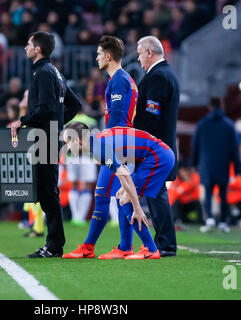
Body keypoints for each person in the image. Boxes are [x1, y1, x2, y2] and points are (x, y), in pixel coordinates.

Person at [63, 35, 139, 259]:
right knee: (109, 195)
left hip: (118, 145)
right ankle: (99, 246)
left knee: (113, 195)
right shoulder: (124, 79)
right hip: (122, 143)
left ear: (108, 55)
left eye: (98, 54)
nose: (96, 58)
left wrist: (104, 148)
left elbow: (116, 119)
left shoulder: (118, 80)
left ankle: (125, 247)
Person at [9, 31, 81, 258]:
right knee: (46, 190)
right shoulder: (55, 72)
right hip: (49, 135)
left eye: (28, 44)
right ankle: (54, 243)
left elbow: (46, 108)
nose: (25, 48)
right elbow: (74, 104)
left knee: (47, 191)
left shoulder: (42, 73)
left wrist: (23, 120)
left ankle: (54, 245)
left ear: (38, 49)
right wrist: (57, 124)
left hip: (44, 137)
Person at [63, 122, 175, 259]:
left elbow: (125, 176)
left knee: (124, 198)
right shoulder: (98, 141)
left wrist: (138, 208)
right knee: (120, 195)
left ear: (76, 140)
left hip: (158, 158)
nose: (67, 147)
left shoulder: (99, 148)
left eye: (67, 142)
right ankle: (126, 249)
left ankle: (151, 249)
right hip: (157, 155)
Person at [133, 35, 179, 256]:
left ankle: (165, 245)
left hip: (155, 148)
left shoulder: (158, 77)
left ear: (149, 52)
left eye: (140, 53)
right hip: (160, 146)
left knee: (156, 193)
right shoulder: (164, 74)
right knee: (154, 192)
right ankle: (163, 243)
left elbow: (152, 115)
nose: (139, 58)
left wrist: (137, 139)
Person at [193, 97, 240, 233]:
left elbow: (195, 145)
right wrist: (236, 167)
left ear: (210, 107)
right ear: (222, 105)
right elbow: (234, 148)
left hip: (206, 164)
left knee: (208, 192)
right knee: (223, 194)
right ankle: (223, 222)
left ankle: (210, 219)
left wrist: (194, 163)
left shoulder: (202, 124)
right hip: (223, 164)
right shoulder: (229, 125)